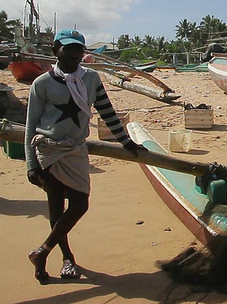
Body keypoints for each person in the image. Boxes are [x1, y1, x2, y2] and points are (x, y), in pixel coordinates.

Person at [24, 29, 147, 284]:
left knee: (80, 204)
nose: (73, 54)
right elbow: (30, 125)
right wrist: (31, 164)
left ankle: (42, 251)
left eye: (78, 49)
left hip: (76, 151)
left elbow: (107, 112)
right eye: (67, 49)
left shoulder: (91, 78)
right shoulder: (42, 83)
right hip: (49, 151)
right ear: (55, 49)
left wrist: (127, 142)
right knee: (56, 209)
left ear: (84, 52)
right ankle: (65, 258)